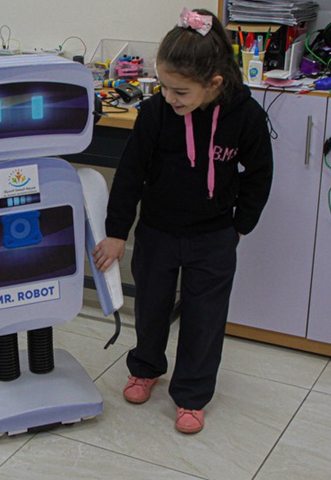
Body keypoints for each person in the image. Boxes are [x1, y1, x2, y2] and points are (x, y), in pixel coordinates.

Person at [92, 8, 273, 434]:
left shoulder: (245, 116)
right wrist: (117, 233)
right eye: (165, 87)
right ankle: (146, 366)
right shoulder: (156, 114)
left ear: (214, 83)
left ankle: (191, 394)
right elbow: (130, 174)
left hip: (213, 235)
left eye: (180, 92)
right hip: (157, 230)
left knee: (204, 318)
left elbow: (260, 173)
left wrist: (240, 225)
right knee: (151, 306)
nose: (170, 99)